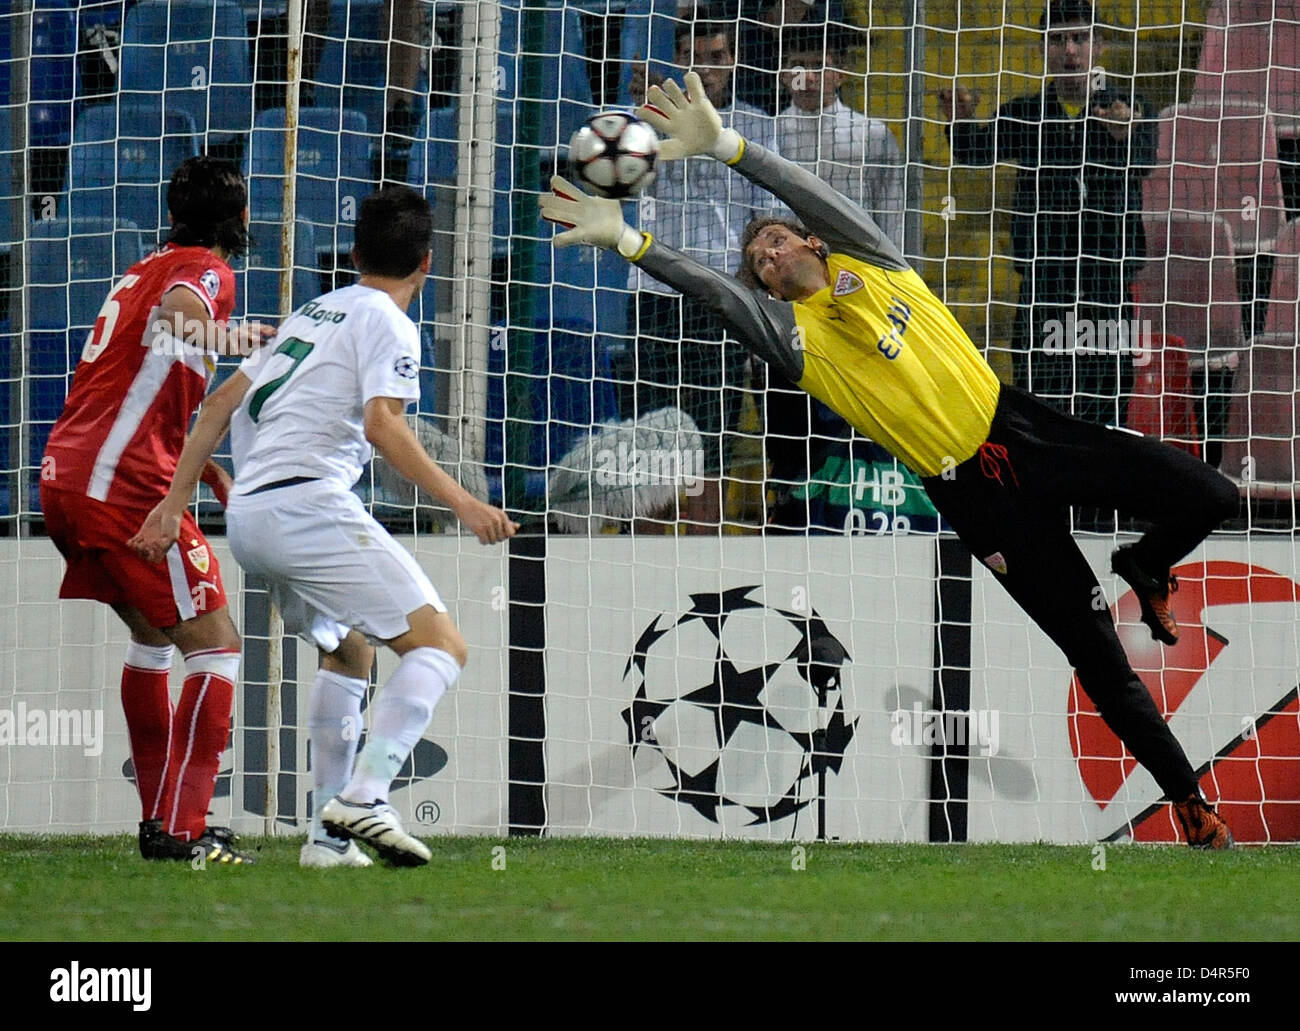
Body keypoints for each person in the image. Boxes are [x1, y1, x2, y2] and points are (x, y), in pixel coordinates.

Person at [540, 71, 1239, 849]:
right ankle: (1192, 803)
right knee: (1098, 659)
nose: (768, 255)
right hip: (974, 497)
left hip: (1025, 431)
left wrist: (730, 147)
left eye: (775, 239)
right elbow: (715, 294)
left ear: (810, 240)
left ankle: (1144, 564)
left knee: (1213, 495)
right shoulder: (799, 341)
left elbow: (806, 189)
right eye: (759, 261)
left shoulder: (875, 260)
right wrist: (630, 239)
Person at [131, 186, 518, 868]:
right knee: (441, 646)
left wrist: (175, 500)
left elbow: (220, 402)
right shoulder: (391, 324)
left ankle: (327, 840)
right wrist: (465, 502)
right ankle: (368, 795)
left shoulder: (311, 311)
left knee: (350, 651)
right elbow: (383, 424)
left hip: (251, 515)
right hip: (306, 504)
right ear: (427, 264)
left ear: (356, 252)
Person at [40, 156, 275, 865]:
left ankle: (160, 821)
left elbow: (138, 389)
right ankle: (182, 829)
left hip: (65, 478)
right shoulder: (206, 268)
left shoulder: (138, 269)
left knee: (151, 639)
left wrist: (203, 468)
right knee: (218, 644)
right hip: (124, 488)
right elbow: (183, 319)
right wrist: (248, 340)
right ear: (240, 219)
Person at [940, 0, 1153, 430]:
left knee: (1106, 406)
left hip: (1106, 287)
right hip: (1044, 285)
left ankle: (1101, 496)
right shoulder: (1028, 112)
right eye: (1058, 40)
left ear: (1101, 46)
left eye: (1080, 38)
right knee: (1041, 402)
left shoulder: (1131, 109)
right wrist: (960, 120)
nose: (1070, 51)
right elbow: (976, 152)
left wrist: (1122, 135)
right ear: (1043, 49)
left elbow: (1144, 160)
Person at [625, 15, 778, 531]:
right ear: (677, 61)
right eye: (694, 58)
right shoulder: (644, 122)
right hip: (655, 293)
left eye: (716, 58)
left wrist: (744, 289)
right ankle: (642, 566)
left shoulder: (757, 127)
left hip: (720, 297)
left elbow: (765, 216)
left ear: (734, 62)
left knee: (710, 441)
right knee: (651, 443)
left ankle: (701, 561)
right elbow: (615, 182)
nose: (706, 70)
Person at [767, 20, 904, 530]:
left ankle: (855, 510)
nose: (805, 74)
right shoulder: (766, 133)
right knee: (788, 406)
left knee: (855, 405)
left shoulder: (872, 134)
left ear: (840, 70)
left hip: (855, 297)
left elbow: (891, 221)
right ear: (782, 73)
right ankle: (789, 511)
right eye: (795, 63)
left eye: (817, 61)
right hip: (785, 304)